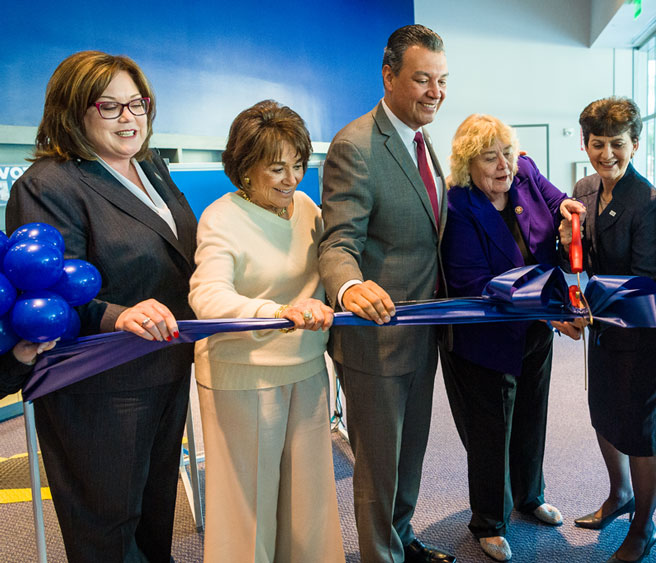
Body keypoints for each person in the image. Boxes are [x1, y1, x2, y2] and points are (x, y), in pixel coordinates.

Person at [5, 51, 198, 562]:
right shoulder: (47, 184)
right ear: (73, 111)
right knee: (107, 524)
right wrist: (117, 315)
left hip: (165, 363)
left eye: (137, 103)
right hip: (100, 381)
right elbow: (49, 291)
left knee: (156, 509)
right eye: (109, 106)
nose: (129, 117)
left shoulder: (150, 166)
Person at [318, 24, 455, 563]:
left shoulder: (421, 140)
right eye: (422, 80)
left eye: (442, 80)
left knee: (409, 454)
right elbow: (338, 241)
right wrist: (349, 286)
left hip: (423, 332)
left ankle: (403, 539)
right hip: (376, 341)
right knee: (378, 466)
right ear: (389, 75)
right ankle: (381, 555)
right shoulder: (355, 145)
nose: (435, 92)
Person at [188, 100, 344, 563]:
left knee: (308, 501)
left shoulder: (307, 208)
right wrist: (277, 311)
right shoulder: (221, 217)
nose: (291, 179)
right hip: (244, 374)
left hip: (306, 366)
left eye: (298, 165)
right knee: (248, 509)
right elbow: (207, 297)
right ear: (245, 169)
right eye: (277, 168)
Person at [439, 114, 584, 562]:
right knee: (491, 432)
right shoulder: (458, 205)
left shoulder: (525, 170)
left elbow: (557, 200)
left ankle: (529, 496)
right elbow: (474, 283)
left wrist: (567, 211)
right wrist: (549, 311)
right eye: (490, 157)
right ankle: (489, 522)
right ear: (467, 164)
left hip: (534, 330)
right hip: (485, 338)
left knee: (531, 416)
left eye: (506, 153)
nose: (504, 165)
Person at [556, 97, 656, 563]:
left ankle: (645, 527)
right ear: (585, 143)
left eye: (617, 143)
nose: (606, 153)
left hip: (645, 333)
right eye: (597, 143)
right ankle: (620, 495)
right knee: (606, 416)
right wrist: (566, 243)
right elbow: (580, 260)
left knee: (640, 434)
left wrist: (584, 308)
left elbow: (642, 279)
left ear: (635, 143)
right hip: (606, 329)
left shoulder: (648, 202)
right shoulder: (584, 188)